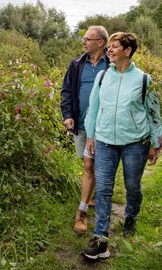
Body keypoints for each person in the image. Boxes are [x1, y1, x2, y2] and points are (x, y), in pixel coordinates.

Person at [81, 32, 162, 260]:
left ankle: (131, 217)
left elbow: (154, 113)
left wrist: (155, 143)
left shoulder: (144, 79)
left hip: (135, 143)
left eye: (115, 46)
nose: (110, 50)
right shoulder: (103, 76)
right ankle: (100, 240)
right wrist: (91, 135)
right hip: (105, 140)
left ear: (127, 51)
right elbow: (93, 108)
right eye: (109, 46)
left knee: (132, 186)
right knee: (104, 189)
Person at [61, 25, 110, 234]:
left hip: (102, 125)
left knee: (89, 165)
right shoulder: (77, 64)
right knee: (87, 163)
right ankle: (92, 195)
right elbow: (66, 90)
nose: (83, 42)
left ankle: (81, 212)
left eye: (88, 39)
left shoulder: (112, 65)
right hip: (80, 123)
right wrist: (68, 115)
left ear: (100, 42)